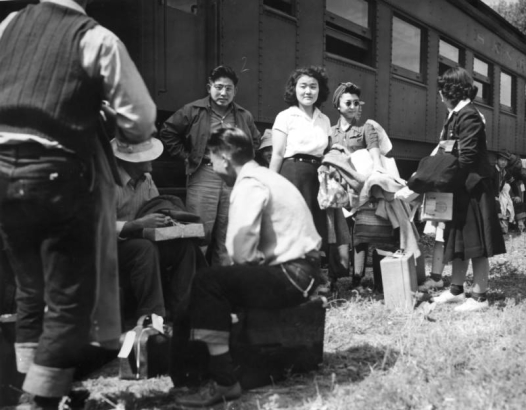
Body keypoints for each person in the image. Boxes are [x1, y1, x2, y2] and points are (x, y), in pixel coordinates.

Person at [0, 0, 157, 407]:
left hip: (1, 173)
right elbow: (140, 122)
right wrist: (101, 112)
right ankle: (39, 401)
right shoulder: (96, 38)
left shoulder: (11, 23)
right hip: (54, 175)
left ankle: (27, 382)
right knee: (68, 300)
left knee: (31, 290)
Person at [174, 127, 323, 408]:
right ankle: (191, 374)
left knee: (207, 282)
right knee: (202, 293)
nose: (214, 168)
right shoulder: (266, 175)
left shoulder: (249, 182)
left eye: (211, 160)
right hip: (304, 273)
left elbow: (239, 251)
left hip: (294, 275)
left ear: (225, 157)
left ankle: (224, 381)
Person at [159, 65, 261, 266]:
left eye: (228, 88)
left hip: (233, 179)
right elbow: (168, 132)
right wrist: (187, 157)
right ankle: (195, 285)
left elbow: (255, 141)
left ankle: (220, 286)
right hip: (204, 173)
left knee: (228, 235)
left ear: (235, 91)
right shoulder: (193, 110)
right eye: (219, 87)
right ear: (209, 87)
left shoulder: (243, 115)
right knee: (200, 233)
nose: (223, 93)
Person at [433, 67, 506, 312]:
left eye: (442, 89)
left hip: (474, 187)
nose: (440, 94)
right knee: (459, 241)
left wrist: (438, 178)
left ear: (451, 91)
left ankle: (480, 296)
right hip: (462, 186)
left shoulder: (469, 115)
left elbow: (466, 158)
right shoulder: (456, 114)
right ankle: (456, 290)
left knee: (476, 243)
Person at [113, 137, 206, 323]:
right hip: (112, 246)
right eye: (147, 156)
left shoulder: (146, 179)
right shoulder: (110, 182)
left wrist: (165, 218)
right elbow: (100, 225)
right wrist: (138, 224)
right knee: (144, 248)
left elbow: (154, 206)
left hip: (141, 237)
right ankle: (153, 315)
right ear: (132, 161)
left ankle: (182, 313)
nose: (152, 159)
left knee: (185, 247)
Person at [329, 81, 394, 288]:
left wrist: (377, 170)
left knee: (361, 232)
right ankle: (336, 275)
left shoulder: (367, 128)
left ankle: (357, 278)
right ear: (338, 105)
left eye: (356, 103)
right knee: (340, 231)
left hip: (359, 187)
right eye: (348, 102)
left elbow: (375, 152)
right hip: (338, 187)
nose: (353, 106)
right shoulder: (330, 132)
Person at [269, 66, 331, 246]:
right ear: (294, 89)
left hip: (317, 178)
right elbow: (278, 154)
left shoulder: (325, 120)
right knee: (293, 229)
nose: (308, 91)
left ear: (320, 90)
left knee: (314, 230)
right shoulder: (285, 116)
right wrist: (271, 184)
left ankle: (311, 272)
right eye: (303, 86)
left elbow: (325, 152)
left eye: (313, 86)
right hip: (293, 175)